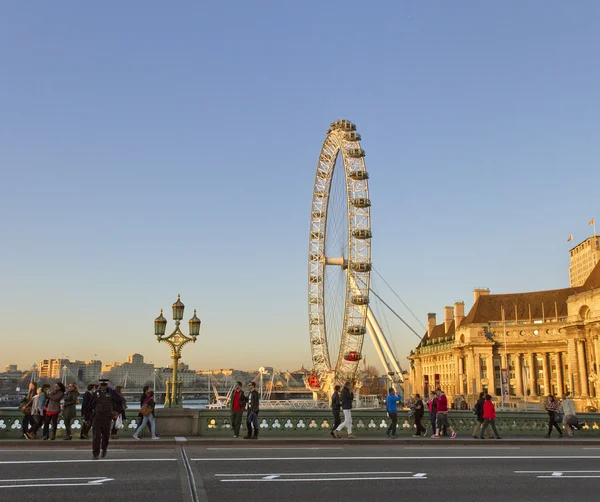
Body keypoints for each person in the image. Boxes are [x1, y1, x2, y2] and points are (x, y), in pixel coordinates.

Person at [89, 378, 122, 459]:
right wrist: (88, 417)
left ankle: (104, 448)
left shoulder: (111, 392)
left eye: (105, 385)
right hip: (97, 416)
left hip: (107, 417)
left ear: (107, 385)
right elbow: (90, 405)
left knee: (105, 435)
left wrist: (117, 411)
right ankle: (95, 453)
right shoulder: (96, 393)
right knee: (96, 436)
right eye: (102, 385)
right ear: (99, 385)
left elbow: (119, 400)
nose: (103, 387)